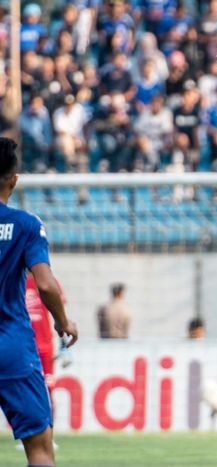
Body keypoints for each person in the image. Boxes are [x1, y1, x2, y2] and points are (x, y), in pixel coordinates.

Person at [0, 137, 79, 467]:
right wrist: (63, 322)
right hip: (11, 346)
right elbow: (45, 284)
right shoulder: (25, 225)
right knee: (40, 448)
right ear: (14, 180)